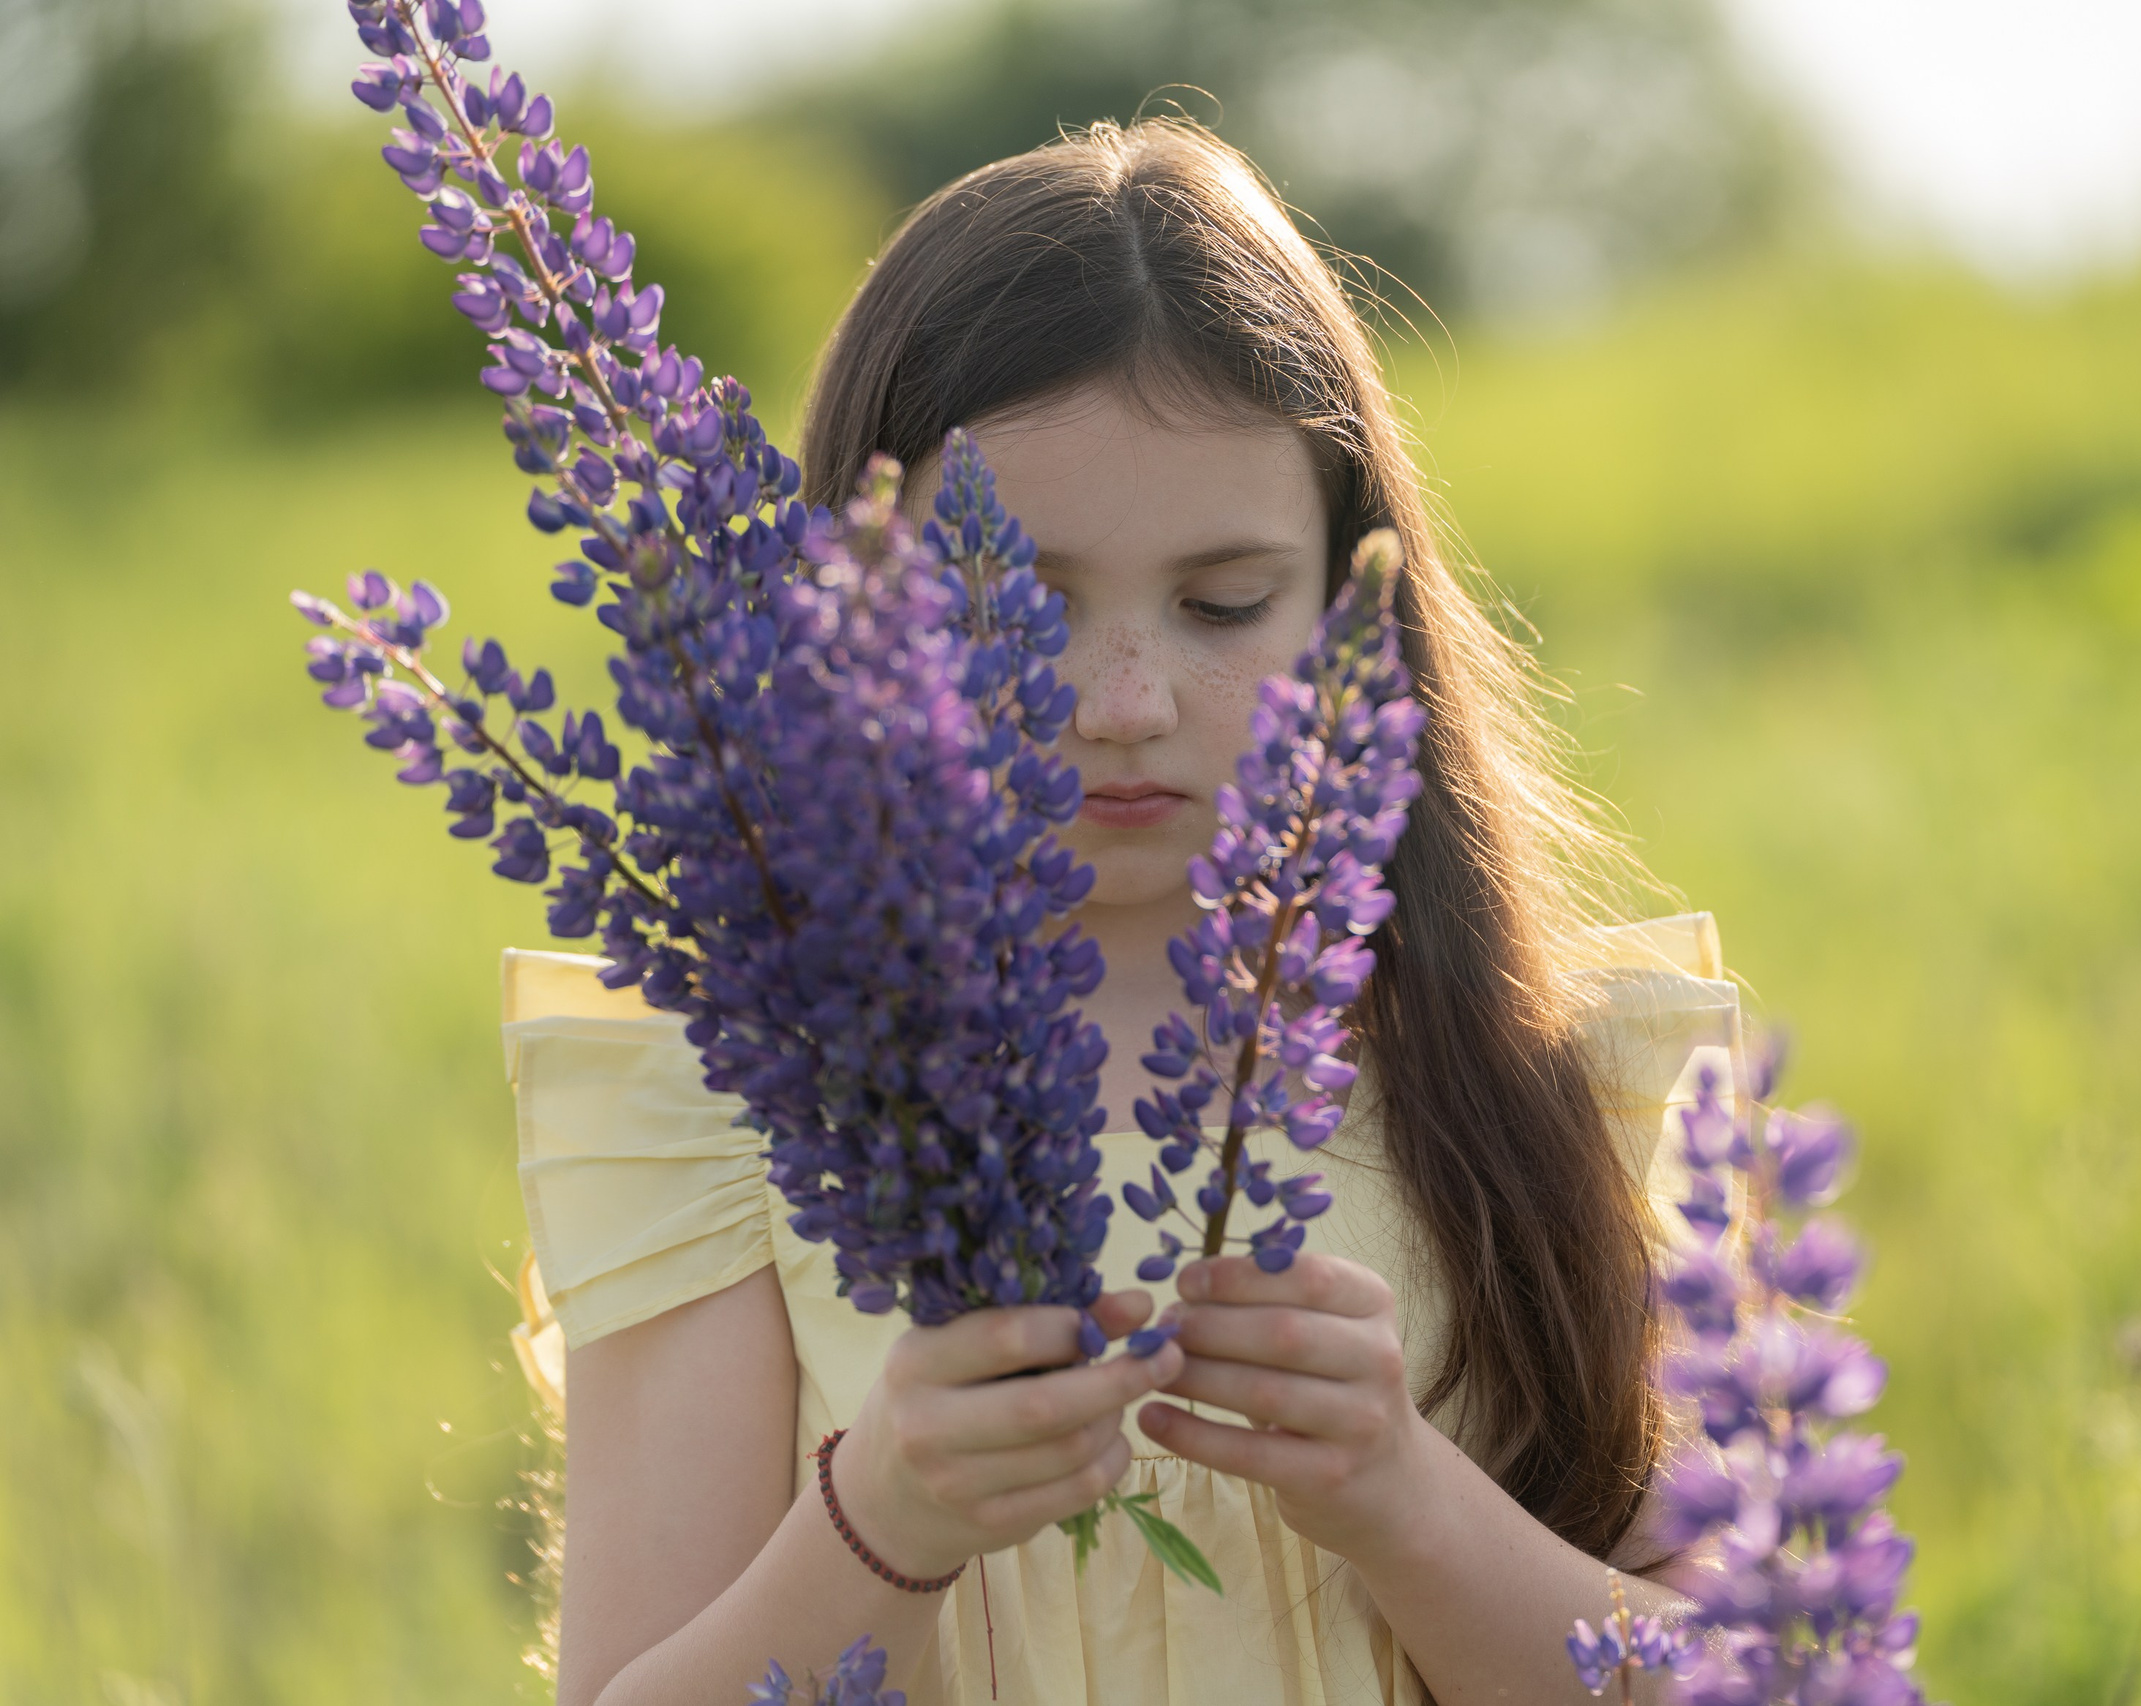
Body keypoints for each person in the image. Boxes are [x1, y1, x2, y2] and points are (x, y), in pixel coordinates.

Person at [505, 117, 1735, 1706]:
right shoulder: (720, 1089)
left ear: (1361, 604)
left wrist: (1406, 1498)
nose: (1121, 697)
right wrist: (883, 1520)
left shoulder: (1529, 1059)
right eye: (1008, 601)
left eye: (1224, 604)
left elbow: (1751, 1678)